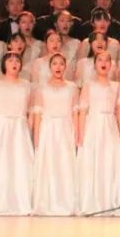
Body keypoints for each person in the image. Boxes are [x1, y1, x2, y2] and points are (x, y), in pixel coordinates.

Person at [0, 53, 34, 215]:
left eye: (17, 60)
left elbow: (31, 109)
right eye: (10, 60)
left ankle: (20, 202)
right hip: (0, 127)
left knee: (20, 163)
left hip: (19, 127)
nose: (14, 63)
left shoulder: (26, 85)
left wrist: (28, 128)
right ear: (4, 64)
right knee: (0, 163)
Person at [75, 51, 120, 214]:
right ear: (95, 64)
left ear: (111, 65)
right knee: (93, 160)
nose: (104, 63)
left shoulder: (117, 86)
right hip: (93, 125)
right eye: (100, 60)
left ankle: (109, 200)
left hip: (110, 125)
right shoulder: (89, 85)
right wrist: (81, 134)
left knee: (109, 160)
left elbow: (119, 111)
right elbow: (83, 111)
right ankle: (91, 201)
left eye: (107, 60)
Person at [31, 53, 80, 216]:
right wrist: (37, 138)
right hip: (48, 129)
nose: (58, 67)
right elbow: (38, 114)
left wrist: (76, 134)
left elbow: (75, 112)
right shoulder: (42, 88)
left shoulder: (72, 87)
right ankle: (48, 201)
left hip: (65, 128)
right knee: (49, 164)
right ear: (50, 67)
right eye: (55, 64)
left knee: (64, 164)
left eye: (61, 64)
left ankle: (66, 201)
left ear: (65, 67)